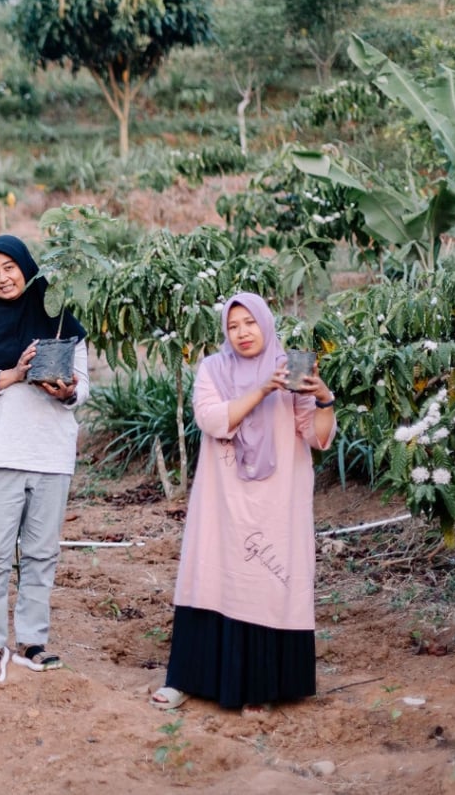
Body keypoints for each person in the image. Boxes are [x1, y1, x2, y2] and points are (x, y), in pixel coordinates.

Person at [151, 292, 336, 713]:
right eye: (233, 326)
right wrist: (260, 389)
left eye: (249, 323)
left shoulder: (290, 369)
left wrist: (323, 397)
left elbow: (316, 436)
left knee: (267, 581)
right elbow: (212, 419)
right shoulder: (213, 369)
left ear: (265, 324)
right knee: (213, 574)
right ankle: (187, 679)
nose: (242, 333)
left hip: (278, 499)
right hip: (222, 497)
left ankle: (262, 689)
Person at [0, 234, 89, 682]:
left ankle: (32, 640)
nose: (2, 278)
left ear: (27, 269)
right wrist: (11, 375)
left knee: (42, 552)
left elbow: (83, 385)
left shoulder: (60, 319)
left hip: (50, 453)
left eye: (9, 268)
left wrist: (67, 390)